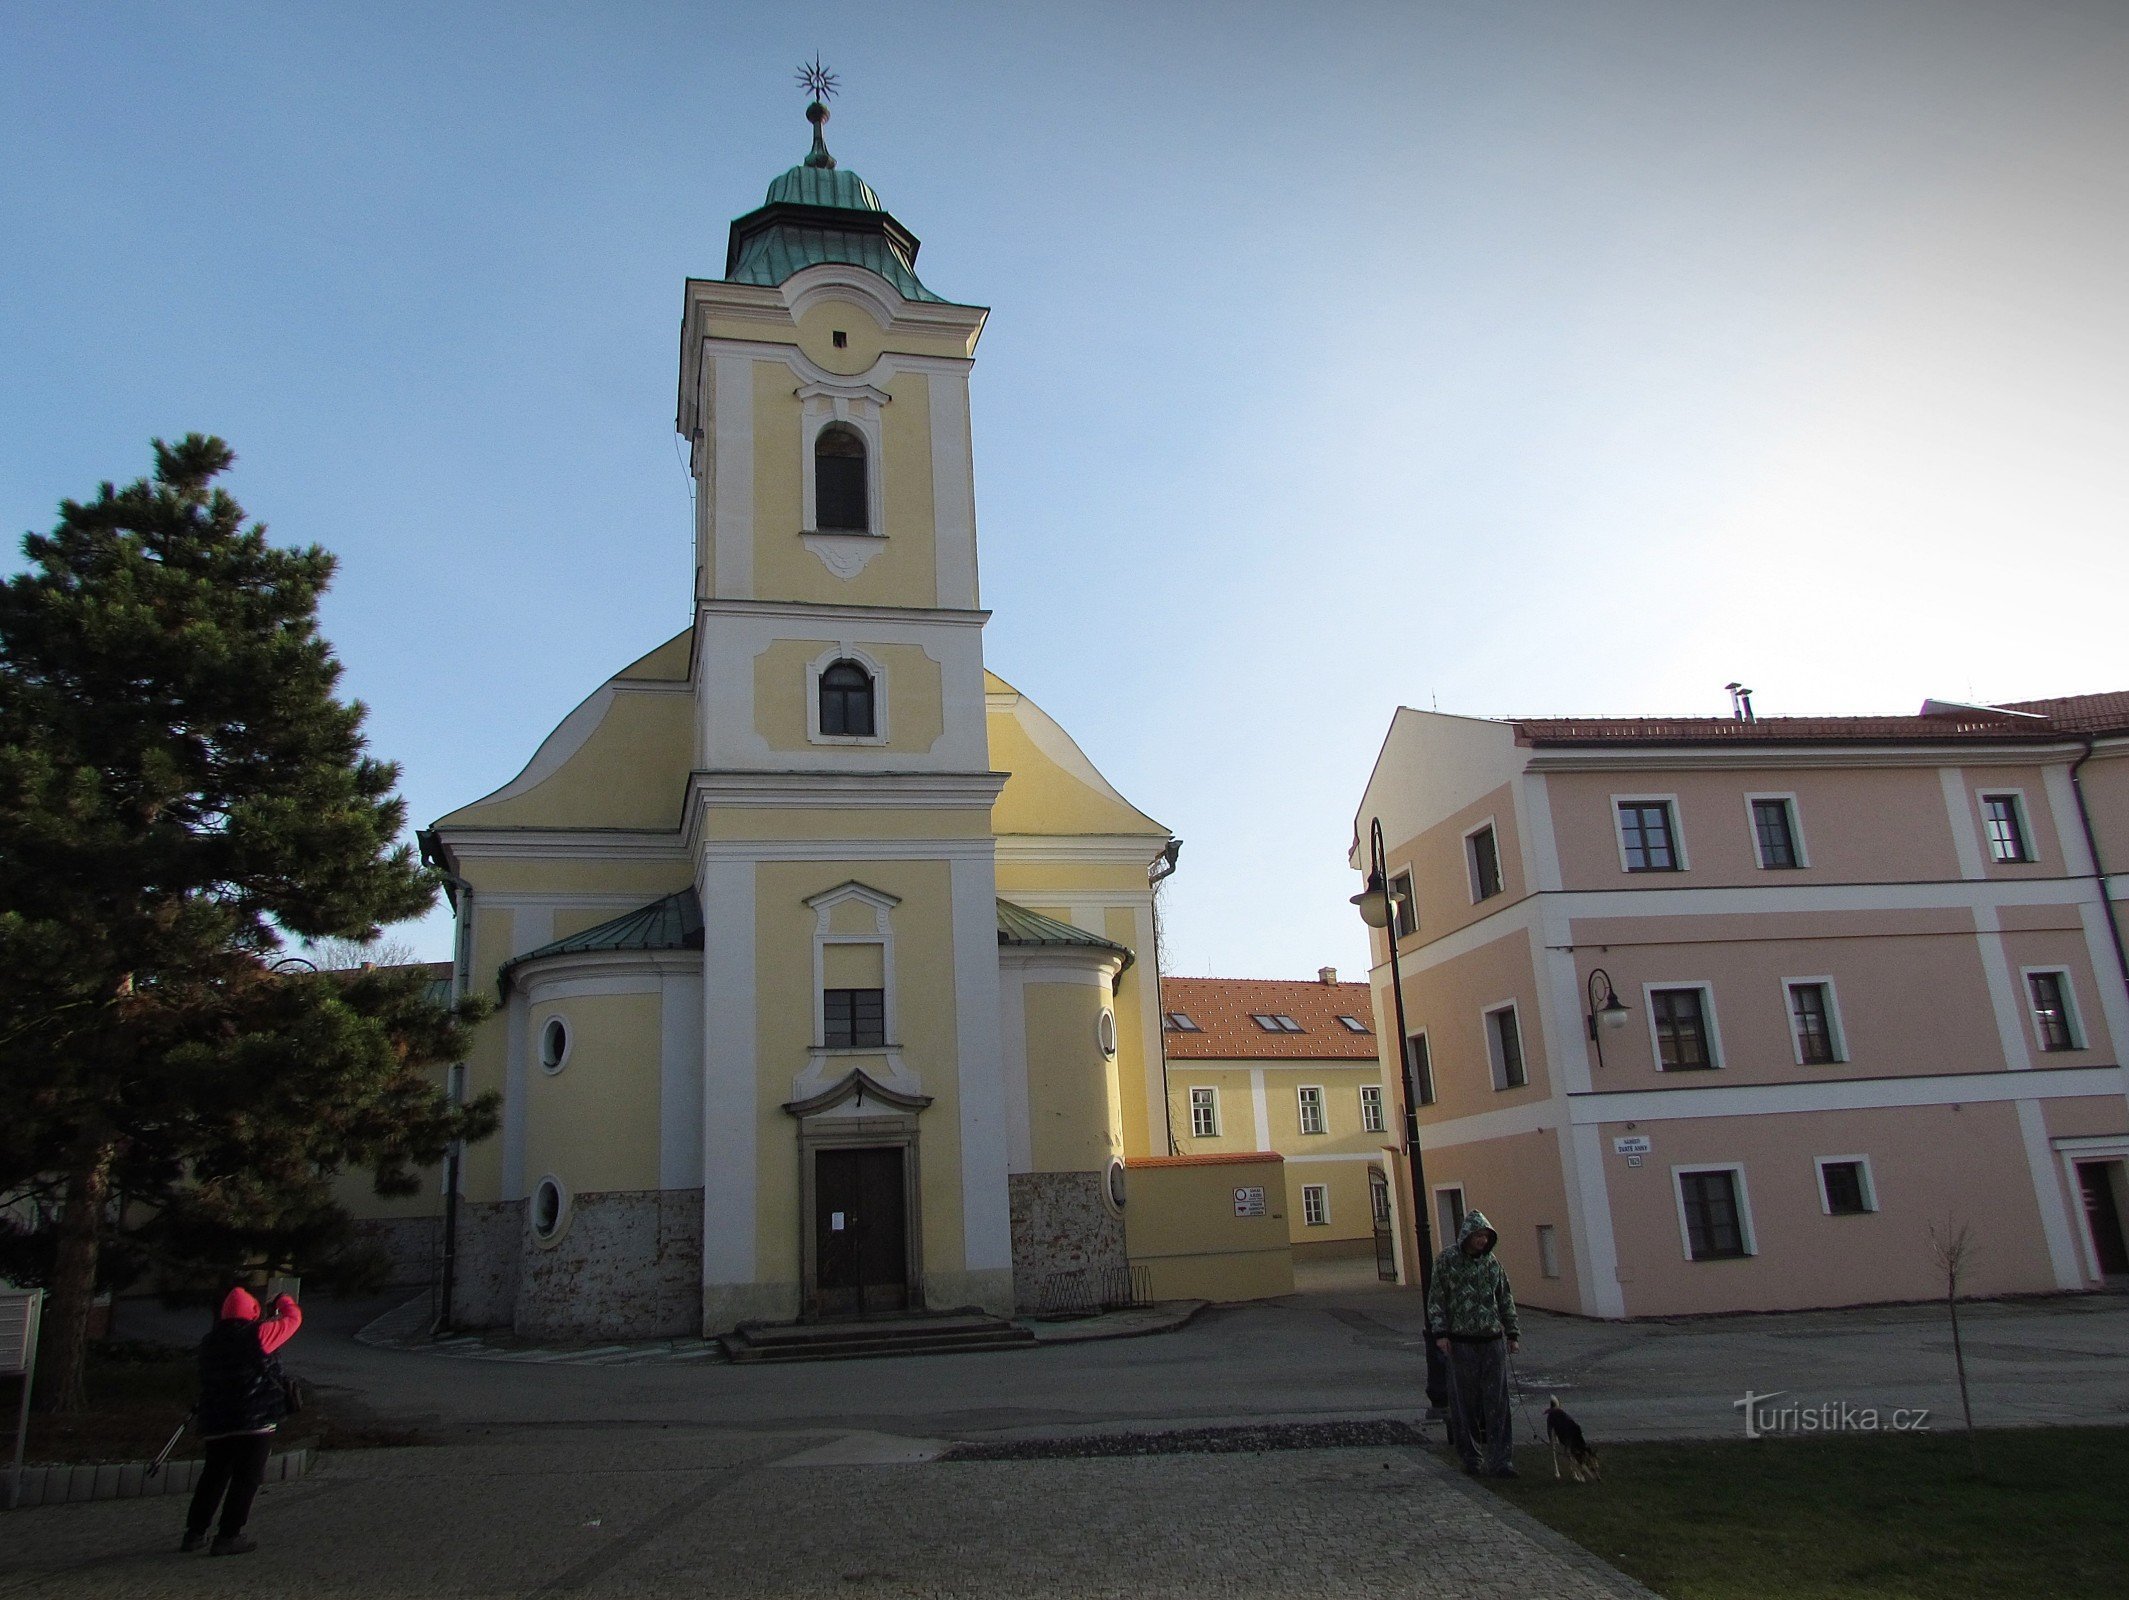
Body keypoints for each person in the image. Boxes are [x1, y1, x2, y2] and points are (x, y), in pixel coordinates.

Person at [181, 1285, 302, 1555]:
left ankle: (194, 1533)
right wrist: (283, 1300)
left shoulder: (209, 1342)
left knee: (213, 1476)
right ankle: (229, 1535)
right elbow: (293, 1320)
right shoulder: (259, 1334)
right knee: (246, 1478)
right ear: (254, 1312)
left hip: (216, 1420)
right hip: (254, 1420)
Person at [1426, 1208, 1520, 1478]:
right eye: (1477, 1235)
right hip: (1461, 1342)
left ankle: (1501, 1460)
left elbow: (1504, 1298)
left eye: (1485, 1236)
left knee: (1498, 1402)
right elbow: (1437, 1299)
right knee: (1463, 1403)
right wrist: (1440, 1332)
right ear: (1466, 1235)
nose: (1481, 1241)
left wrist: (1512, 1333)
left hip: (1491, 1340)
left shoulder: (1492, 1265)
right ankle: (1471, 1457)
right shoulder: (1447, 1262)